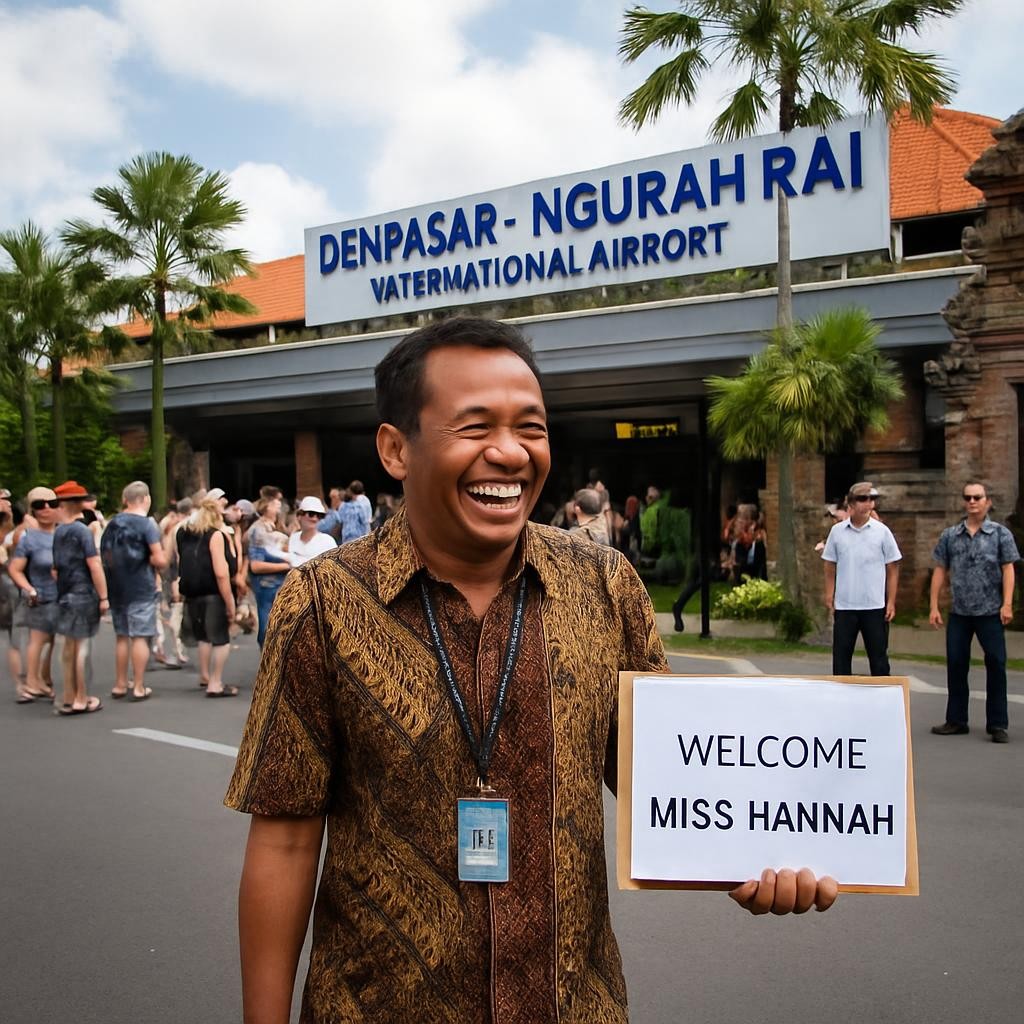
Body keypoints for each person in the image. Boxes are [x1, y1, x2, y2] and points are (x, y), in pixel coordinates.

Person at [226, 316, 837, 1024]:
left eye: (531, 427)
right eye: (475, 426)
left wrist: (759, 856)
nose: (510, 453)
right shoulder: (325, 602)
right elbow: (284, 839)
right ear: (397, 449)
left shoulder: (605, 587)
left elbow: (674, 784)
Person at [929, 481, 1020, 743]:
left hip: (990, 611)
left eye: (977, 497)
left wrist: (1007, 603)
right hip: (960, 612)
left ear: (987, 501)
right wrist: (934, 605)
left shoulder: (1000, 534)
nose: (972, 502)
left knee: (996, 665)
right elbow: (940, 569)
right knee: (956, 664)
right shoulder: (950, 535)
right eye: (968, 497)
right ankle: (956, 719)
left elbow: (1008, 569)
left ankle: (998, 724)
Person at [822, 481, 902, 676]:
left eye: (871, 499)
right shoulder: (837, 532)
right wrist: (829, 594)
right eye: (862, 499)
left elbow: (892, 566)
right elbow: (829, 564)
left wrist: (891, 601)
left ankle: (883, 699)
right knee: (841, 659)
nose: (868, 504)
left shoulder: (881, 531)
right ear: (851, 504)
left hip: (874, 605)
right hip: (845, 606)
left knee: (879, 659)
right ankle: (842, 699)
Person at [101, 481, 168, 701]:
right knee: (140, 635)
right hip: (140, 586)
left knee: (122, 635)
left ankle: (120, 684)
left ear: (125, 500)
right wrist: (156, 559)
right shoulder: (146, 524)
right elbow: (159, 559)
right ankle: (139, 686)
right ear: (145, 499)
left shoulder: (111, 524)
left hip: (116, 586)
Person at [52, 480, 109, 715]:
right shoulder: (82, 531)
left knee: (68, 648)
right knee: (82, 647)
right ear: (78, 504)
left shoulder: (58, 532)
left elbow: (55, 569)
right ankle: (82, 697)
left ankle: (68, 695)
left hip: (64, 594)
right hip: (83, 593)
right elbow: (94, 564)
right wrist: (104, 596)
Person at [176, 496, 238, 697]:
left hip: (192, 593)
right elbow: (221, 572)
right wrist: (230, 603)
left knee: (203, 636)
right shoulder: (216, 536)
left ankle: (204, 675)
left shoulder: (183, 533)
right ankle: (215, 682)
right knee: (221, 639)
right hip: (213, 594)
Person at [7, 487, 61, 702]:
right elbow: (15, 568)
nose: (47, 509)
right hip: (40, 596)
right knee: (37, 640)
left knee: (52, 641)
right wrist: (29, 589)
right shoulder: (28, 537)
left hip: (61, 597)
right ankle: (31, 681)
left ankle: (44, 678)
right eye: (40, 505)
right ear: (32, 509)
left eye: (52, 504)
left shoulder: (63, 533)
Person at [248, 495, 291, 646]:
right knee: (267, 628)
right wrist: (287, 566)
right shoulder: (258, 529)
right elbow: (256, 564)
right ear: (266, 507)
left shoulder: (276, 525)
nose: (279, 507)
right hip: (267, 583)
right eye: (275, 504)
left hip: (281, 581)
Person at [287, 497, 336, 565]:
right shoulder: (292, 539)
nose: (315, 519)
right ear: (299, 516)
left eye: (319, 515)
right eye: (311, 514)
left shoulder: (328, 541)